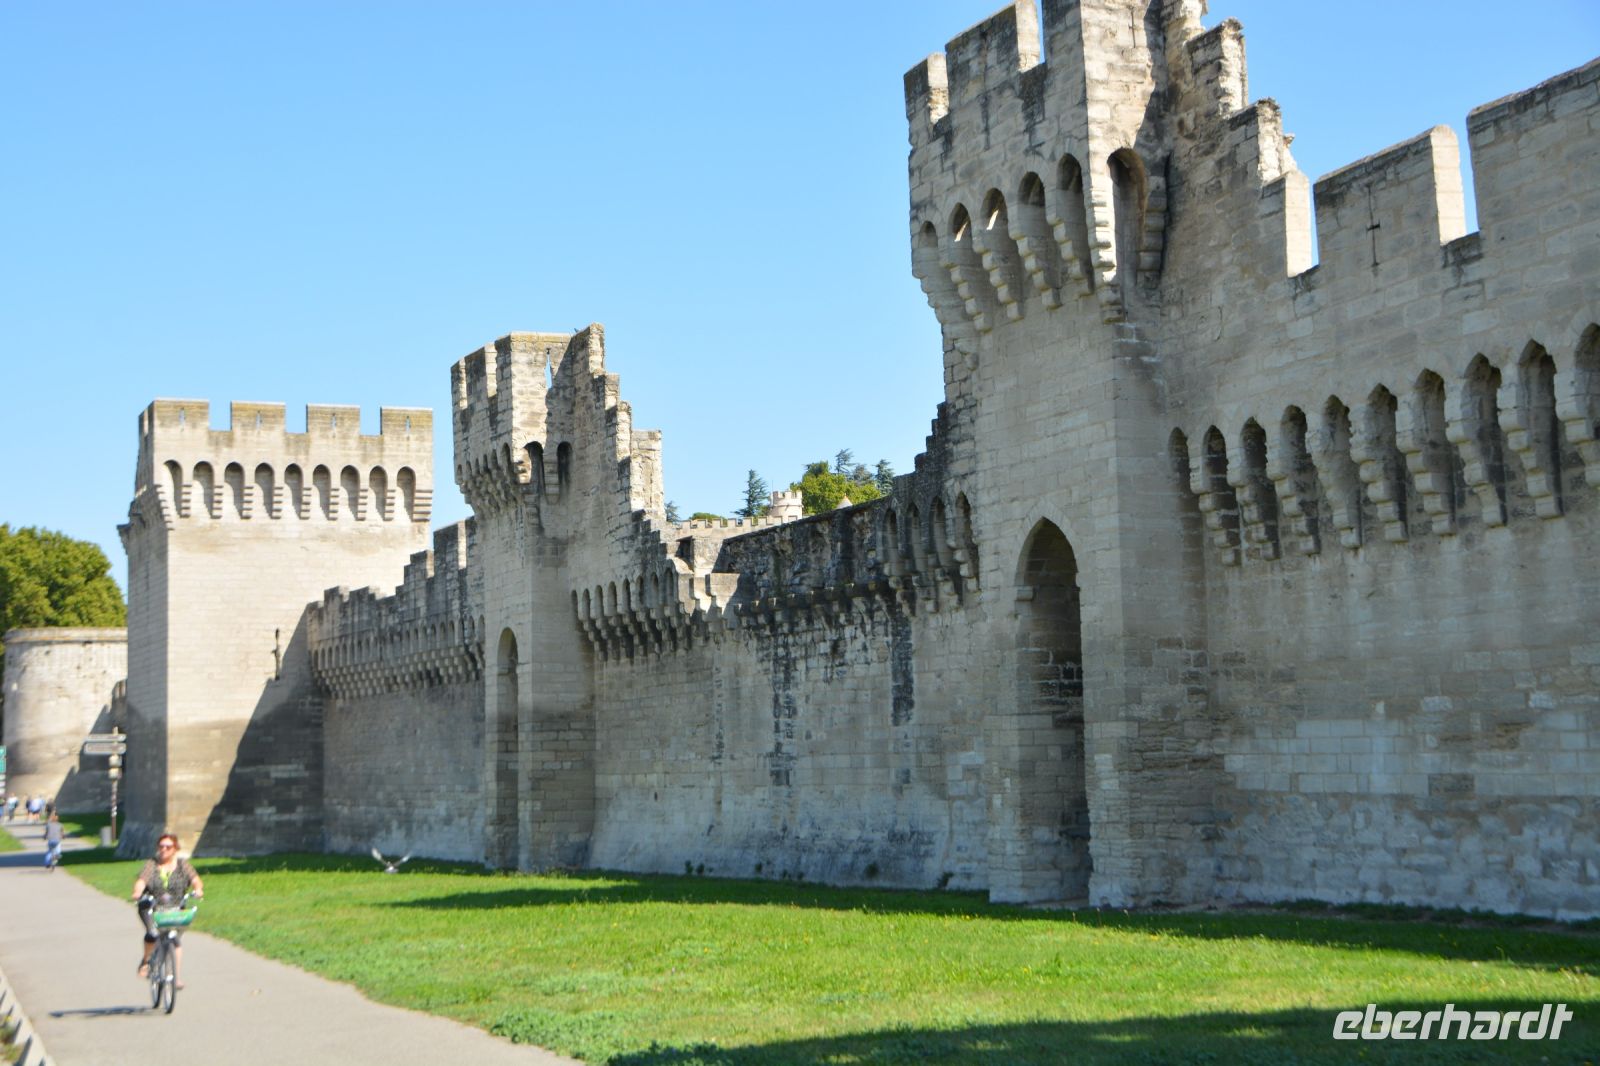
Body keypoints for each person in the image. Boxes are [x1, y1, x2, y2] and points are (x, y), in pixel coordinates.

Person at [129, 833, 204, 988]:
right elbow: (141, 881)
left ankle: (175, 978)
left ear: (175, 849)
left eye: (168, 847)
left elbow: (196, 880)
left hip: (175, 908)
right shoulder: (152, 864)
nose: (164, 850)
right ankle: (146, 961)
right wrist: (137, 893)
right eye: (161, 846)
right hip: (151, 907)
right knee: (153, 933)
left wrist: (198, 889)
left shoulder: (183, 865)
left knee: (175, 940)